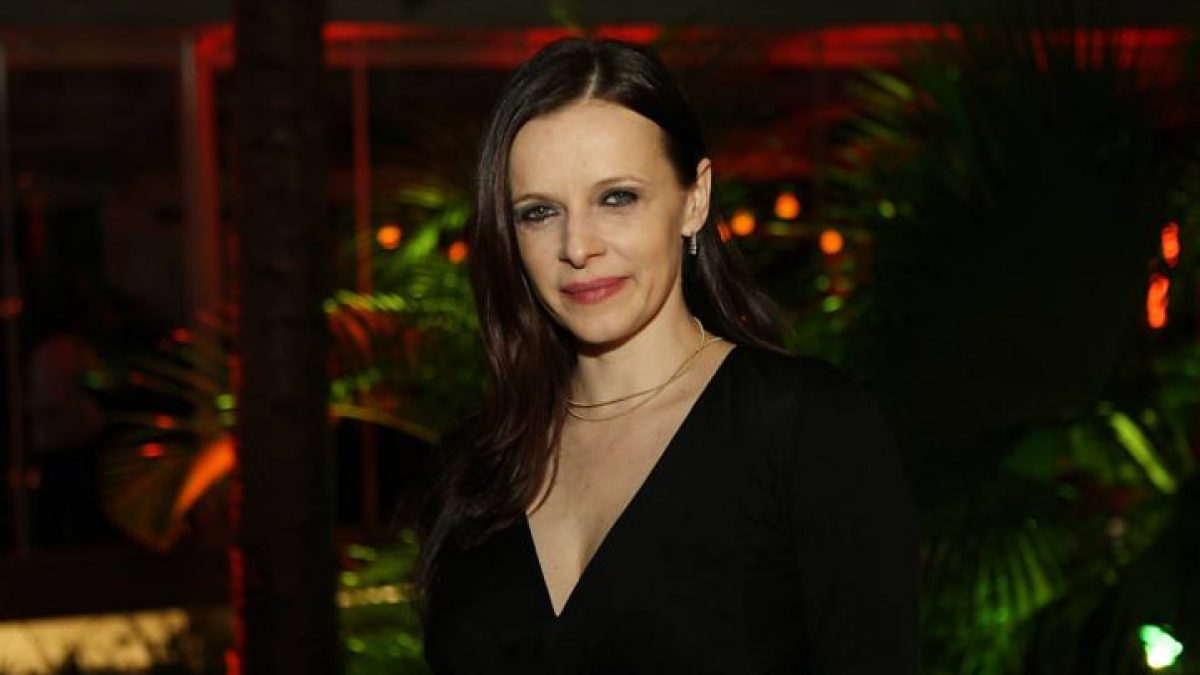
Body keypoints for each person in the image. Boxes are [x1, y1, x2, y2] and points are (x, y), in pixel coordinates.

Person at [409, 37, 918, 674]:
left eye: (617, 198)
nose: (578, 246)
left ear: (694, 200)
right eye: (539, 212)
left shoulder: (802, 427)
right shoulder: (474, 465)